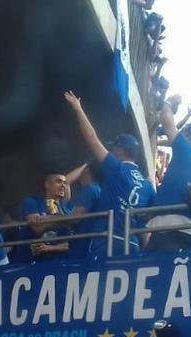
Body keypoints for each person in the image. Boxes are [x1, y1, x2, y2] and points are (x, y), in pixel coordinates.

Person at [63, 91, 155, 256]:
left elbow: (92, 138)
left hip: (108, 241)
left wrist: (78, 108)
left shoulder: (116, 167)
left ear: (118, 149)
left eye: (114, 147)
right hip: (132, 245)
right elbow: (149, 218)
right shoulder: (147, 184)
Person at [147, 101, 191, 252]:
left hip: (171, 230)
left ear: (189, 137)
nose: (179, 133)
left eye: (183, 133)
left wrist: (168, 103)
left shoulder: (186, 151)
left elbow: (168, 121)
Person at [14, 172, 74, 262]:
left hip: (58, 263)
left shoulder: (66, 210)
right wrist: (62, 220)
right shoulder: (32, 202)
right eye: (59, 181)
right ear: (47, 184)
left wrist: (50, 248)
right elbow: (37, 228)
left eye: (65, 183)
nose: (63, 186)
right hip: (29, 262)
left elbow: (70, 243)